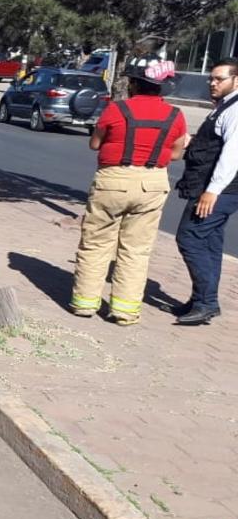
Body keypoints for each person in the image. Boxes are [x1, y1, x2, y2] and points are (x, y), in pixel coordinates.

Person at [69, 55, 187, 325]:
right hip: (152, 183)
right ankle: (124, 310)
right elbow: (177, 152)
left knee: (96, 243)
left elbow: (95, 144)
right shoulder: (175, 115)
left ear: (134, 83)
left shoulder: (116, 109)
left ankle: (85, 303)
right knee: (136, 250)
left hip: (114, 179)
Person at [173, 57, 238, 325]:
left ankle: (206, 302)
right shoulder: (224, 107)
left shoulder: (235, 110)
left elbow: (233, 154)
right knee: (209, 243)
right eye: (211, 78)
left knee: (189, 238)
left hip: (219, 189)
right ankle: (204, 299)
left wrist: (212, 191)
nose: (212, 83)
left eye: (219, 79)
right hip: (217, 188)